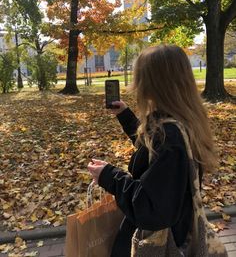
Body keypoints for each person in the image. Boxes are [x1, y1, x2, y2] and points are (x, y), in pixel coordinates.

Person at [88, 45, 218, 257]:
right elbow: (153, 154)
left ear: (152, 84)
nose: (135, 86)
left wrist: (110, 177)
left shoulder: (170, 137)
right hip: (179, 228)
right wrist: (126, 116)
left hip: (162, 243)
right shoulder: (181, 120)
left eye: (140, 78)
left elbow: (151, 209)